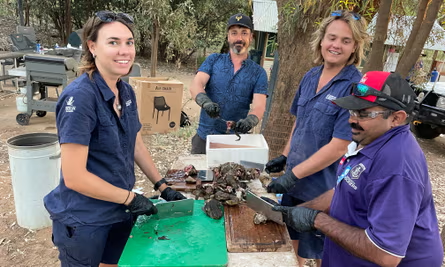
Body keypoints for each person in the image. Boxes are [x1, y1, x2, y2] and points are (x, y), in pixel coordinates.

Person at [43, 11, 185, 267]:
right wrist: (131, 198)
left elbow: (135, 143)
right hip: (85, 218)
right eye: (113, 42)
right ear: (92, 46)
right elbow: (74, 177)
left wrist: (162, 186)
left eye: (128, 42)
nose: (124, 50)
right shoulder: (80, 98)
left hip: (119, 209)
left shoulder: (126, 90)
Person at [272, 71, 444, 267]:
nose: (352, 120)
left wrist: (318, 220)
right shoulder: (370, 139)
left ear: (396, 118)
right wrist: (298, 211)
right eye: (352, 111)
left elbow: (386, 254)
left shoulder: (397, 164)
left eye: (364, 113)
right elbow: (344, 190)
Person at [265, 10, 369, 267]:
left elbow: (339, 145)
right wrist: (285, 156)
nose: (336, 45)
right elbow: (299, 121)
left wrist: (292, 174)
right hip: (294, 183)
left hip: (323, 189)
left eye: (346, 40)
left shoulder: (353, 87)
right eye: (332, 37)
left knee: (318, 254)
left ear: (355, 46)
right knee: (291, 245)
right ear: (321, 40)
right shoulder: (310, 76)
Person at [189, 13, 268, 154]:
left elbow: (259, 106)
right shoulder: (214, 60)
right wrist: (205, 102)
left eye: (244, 33)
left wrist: (250, 121)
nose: (239, 38)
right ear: (228, 37)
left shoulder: (259, 73)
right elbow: (196, 84)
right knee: (199, 175)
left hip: (235, 141)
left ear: (251, 37)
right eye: (234, 33)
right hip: (205, 138)